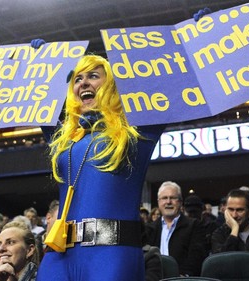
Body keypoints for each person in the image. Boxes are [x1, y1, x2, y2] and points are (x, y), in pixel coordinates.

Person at [35, 53, 164, 281]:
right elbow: (38, 99)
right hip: (58, 254)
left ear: (111, 85)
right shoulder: (63, 138)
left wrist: (199, 36)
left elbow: (174, 87)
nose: (83, 82)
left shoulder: (136, 133)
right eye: (77, 79)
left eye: (93, 76)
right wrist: (45, 61)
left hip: (111, 252)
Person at [146, 181, 206, 276]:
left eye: (173, 198)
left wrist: (183, 277)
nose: (168, 202)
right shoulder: (150, 228)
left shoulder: (194, 226)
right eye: (164, 198)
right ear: (158, 202)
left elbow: (196, 257)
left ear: (180, 202)